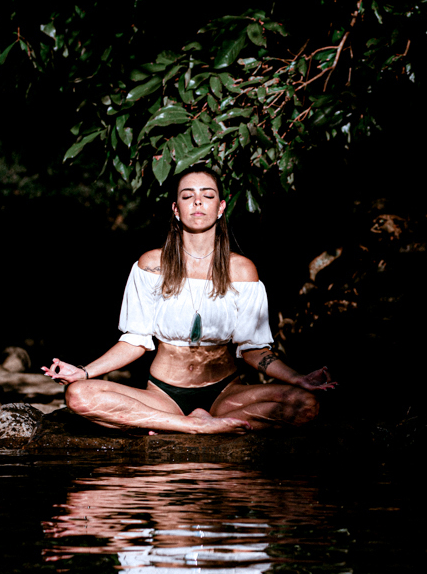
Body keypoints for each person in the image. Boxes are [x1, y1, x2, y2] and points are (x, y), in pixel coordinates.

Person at [41, 166, 335, 434]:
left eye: (207, 196)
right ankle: (191, 425)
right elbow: (135, 340)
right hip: (163, 394)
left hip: (225, 394)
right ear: (176, 209)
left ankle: (200, 421)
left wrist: (298, 378)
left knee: (306, 404)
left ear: (220, 208)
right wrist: (84, 371)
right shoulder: (150, 265)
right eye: (187, 196)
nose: (197, 202)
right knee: (78, 395)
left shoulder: (242, 270)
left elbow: (254, 348)